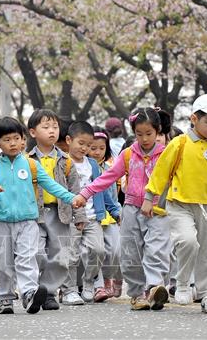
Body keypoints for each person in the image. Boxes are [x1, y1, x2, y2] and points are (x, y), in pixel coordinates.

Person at [141, 95, 207, 314]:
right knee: (187, 242)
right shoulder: (179, 143)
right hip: (179, 204)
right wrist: (149, 196)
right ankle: (182, 283)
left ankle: (206, 294)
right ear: (193, 119)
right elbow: (161, 170)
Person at [75, 108, 173, 311]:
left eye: (149, 134)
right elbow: (108, 177)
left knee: (156, 249)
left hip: (158, 209)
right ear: (133, 132)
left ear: (158, 131)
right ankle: (137, 294)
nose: (144, 139)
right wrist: (85, 193)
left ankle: (154, 287)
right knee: (130, 253)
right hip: (131, 209)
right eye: (139, 134)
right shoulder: (128, 154)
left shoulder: (167, 154)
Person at [0, 116, 77, 315]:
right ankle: (5, 297)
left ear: (23, 139)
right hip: (0, 222)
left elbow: (51, 185)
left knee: (27, 258)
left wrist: (72, 198)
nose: (13, 143)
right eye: (7, 140)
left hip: (28, 221)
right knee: (3, 262)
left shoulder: (31, 165)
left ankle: (29, 294)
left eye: (16, 138)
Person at [27, 108, 83, 311]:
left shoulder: (66, 161)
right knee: (38, 253)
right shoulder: (27, 161)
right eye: (46, 127)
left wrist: (80, 215)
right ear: (33, 132)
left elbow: (75, 190)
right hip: (35, 214)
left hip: (62, 214)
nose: (52, 131)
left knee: (60, 256)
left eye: (55, 127)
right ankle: (34, 289)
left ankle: (49, 293)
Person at [60, 121, 121, 306]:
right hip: (70, 218)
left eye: (88, 145)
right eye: (81, 143)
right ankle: (69, 290)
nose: (84, 148)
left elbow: (103, 189)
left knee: (99, 250)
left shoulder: (93, 165)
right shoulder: (62, 162)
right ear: (69, 140)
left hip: (93, 217)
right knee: (70, 255)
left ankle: (89, 281)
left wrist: (115, 211)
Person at [89, 127, 122, 302]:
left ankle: (111, 276)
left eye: (101, 148)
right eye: (93, 148)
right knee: (97, 251)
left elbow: (115, 194)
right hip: (93, 216)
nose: (97, 152)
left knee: (115, 250)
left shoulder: (112, 168)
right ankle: (99, 285)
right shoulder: (84, 168)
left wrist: (118, 212)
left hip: (111, 216)